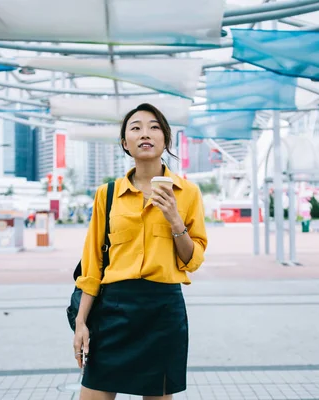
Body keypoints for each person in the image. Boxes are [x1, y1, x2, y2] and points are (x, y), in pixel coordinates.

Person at [73, 103, 208, 400]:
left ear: (166, 140)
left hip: (162, 311)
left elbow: (192, 260)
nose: (145, 133)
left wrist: (174, 218)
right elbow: (92, 265)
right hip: (113, 310)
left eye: (154, 127)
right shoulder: (106, 195)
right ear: (125, 143)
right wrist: (81, 322)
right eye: (135, 127)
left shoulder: (188, 193)